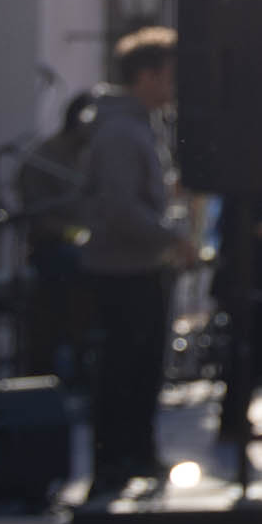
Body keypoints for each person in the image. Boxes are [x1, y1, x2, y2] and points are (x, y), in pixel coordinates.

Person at [75, 29, 188, 495]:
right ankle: (115, 465)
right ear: (146, 75)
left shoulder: (141, 125)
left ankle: (139, 454)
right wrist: (171, 236)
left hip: (141, 265)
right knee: (122, 371)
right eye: (170, 75)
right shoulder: (121, 130)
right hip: (122, 271)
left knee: (143, 369)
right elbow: (121, 208)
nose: (175, 85)